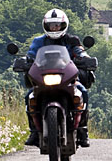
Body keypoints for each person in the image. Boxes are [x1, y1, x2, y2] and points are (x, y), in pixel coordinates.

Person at [24, 9, 92, 148]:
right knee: (29, 97)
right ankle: (35, 131)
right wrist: (24, 60)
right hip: (44, 77)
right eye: (51, 25)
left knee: (82, 91)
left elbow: (79, 51)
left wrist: (85, 58)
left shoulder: (72, 40)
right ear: (46, 26)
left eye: (57, 25)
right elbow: (31, 54)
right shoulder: (39, 41)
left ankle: (82, 129)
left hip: (67, 78)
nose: (54, 28)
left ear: (63, 25)